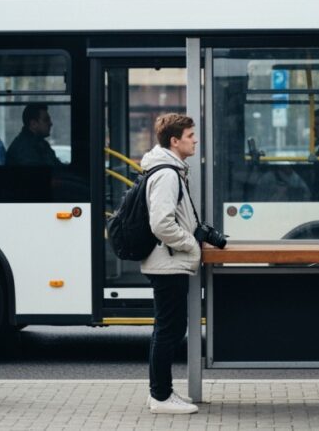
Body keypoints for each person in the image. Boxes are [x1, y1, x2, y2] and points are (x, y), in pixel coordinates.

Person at [141, 113, 200, 415]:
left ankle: (161, 394)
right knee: (168, 330)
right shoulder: (167, 174)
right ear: (175, 141)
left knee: (168, 328)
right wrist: (190, 244)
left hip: (169, 260)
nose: (195, 140)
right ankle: (161, 397)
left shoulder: (172, 169)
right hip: (168, 262)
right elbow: (161, 224)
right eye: (190, 136)